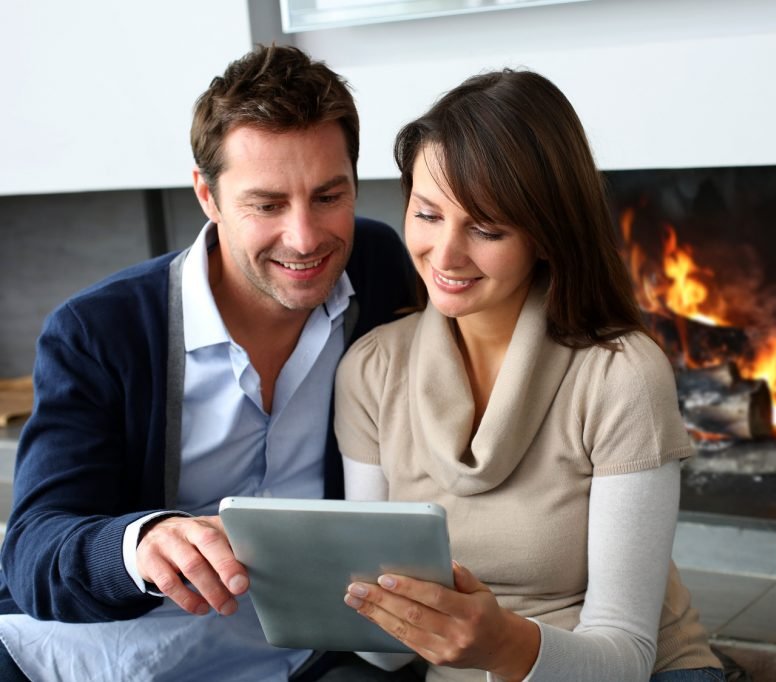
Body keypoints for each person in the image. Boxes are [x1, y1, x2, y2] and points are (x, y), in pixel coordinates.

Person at [0, 44, 419, 681]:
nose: (305, 238)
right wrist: (141, 545)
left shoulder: (380, 268)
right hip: (106, 655)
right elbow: (33, 550)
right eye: (267, 205)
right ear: (208, 196)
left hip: (307, 654)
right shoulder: (100, 330)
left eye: (329, 196)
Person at [334, 69, 724, 681]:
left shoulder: (621, 375)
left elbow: (626, 654)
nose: (447, 254)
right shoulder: (372, 370)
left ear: (547, 234)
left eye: (486, 229)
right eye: (428, 215)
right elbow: (382, 647)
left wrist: (500, 645)